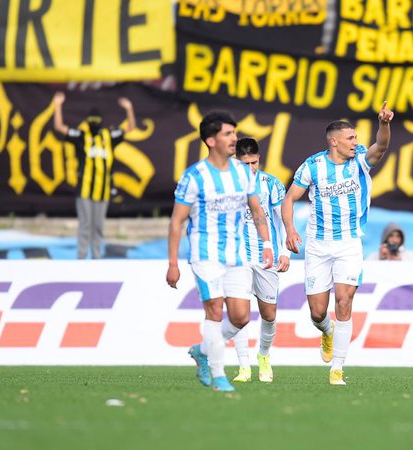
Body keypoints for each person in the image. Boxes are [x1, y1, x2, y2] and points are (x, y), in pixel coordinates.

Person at [281, 101, 394, 385]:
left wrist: (384, 123)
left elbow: (380, 146)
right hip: (318, 246)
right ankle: (327, 332)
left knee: (344, 300)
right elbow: (289, 198)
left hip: (349, 243)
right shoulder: (313, 166)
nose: (356, 143)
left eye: (356, 138)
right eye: (351, 138)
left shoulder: (359, 160)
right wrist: (290, 229)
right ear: (334, 142)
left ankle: (338, 369)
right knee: (318, 312)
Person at [166, 111, 274, 393]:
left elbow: (257, 209)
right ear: (210, 140)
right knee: (214, 310)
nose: (234, 139)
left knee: (240, 317)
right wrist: (173, 263)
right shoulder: (194, 177)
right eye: (228, 134)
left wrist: (266, 244)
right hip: (205, 255)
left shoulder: (242, 173)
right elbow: (177, 221)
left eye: (234, 133)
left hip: (236, 255)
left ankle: (203, 350)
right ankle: (219, 375)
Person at [231, 137, 290, 384]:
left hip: (267, 257)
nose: (250, 168)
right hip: (237, 256)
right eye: (245, 164)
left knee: (269, 315)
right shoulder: (227, 184)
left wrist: (285, 251)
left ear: (259, 159)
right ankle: (244, 366)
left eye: (254, 163)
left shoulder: (272, 184)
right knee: (239, 313)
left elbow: (283, 218)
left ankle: (263, 355)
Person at [53, 92, 136, 259]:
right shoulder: (82, 136)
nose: (94, 124)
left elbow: (131, 127)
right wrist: (57, 105)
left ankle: (97, 258)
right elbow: (59, 126)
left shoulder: (108, 136)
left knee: (98, 226)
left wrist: (129, 108)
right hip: (84, 190)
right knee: (85, 225)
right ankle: (82, 258)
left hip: (103, 190)